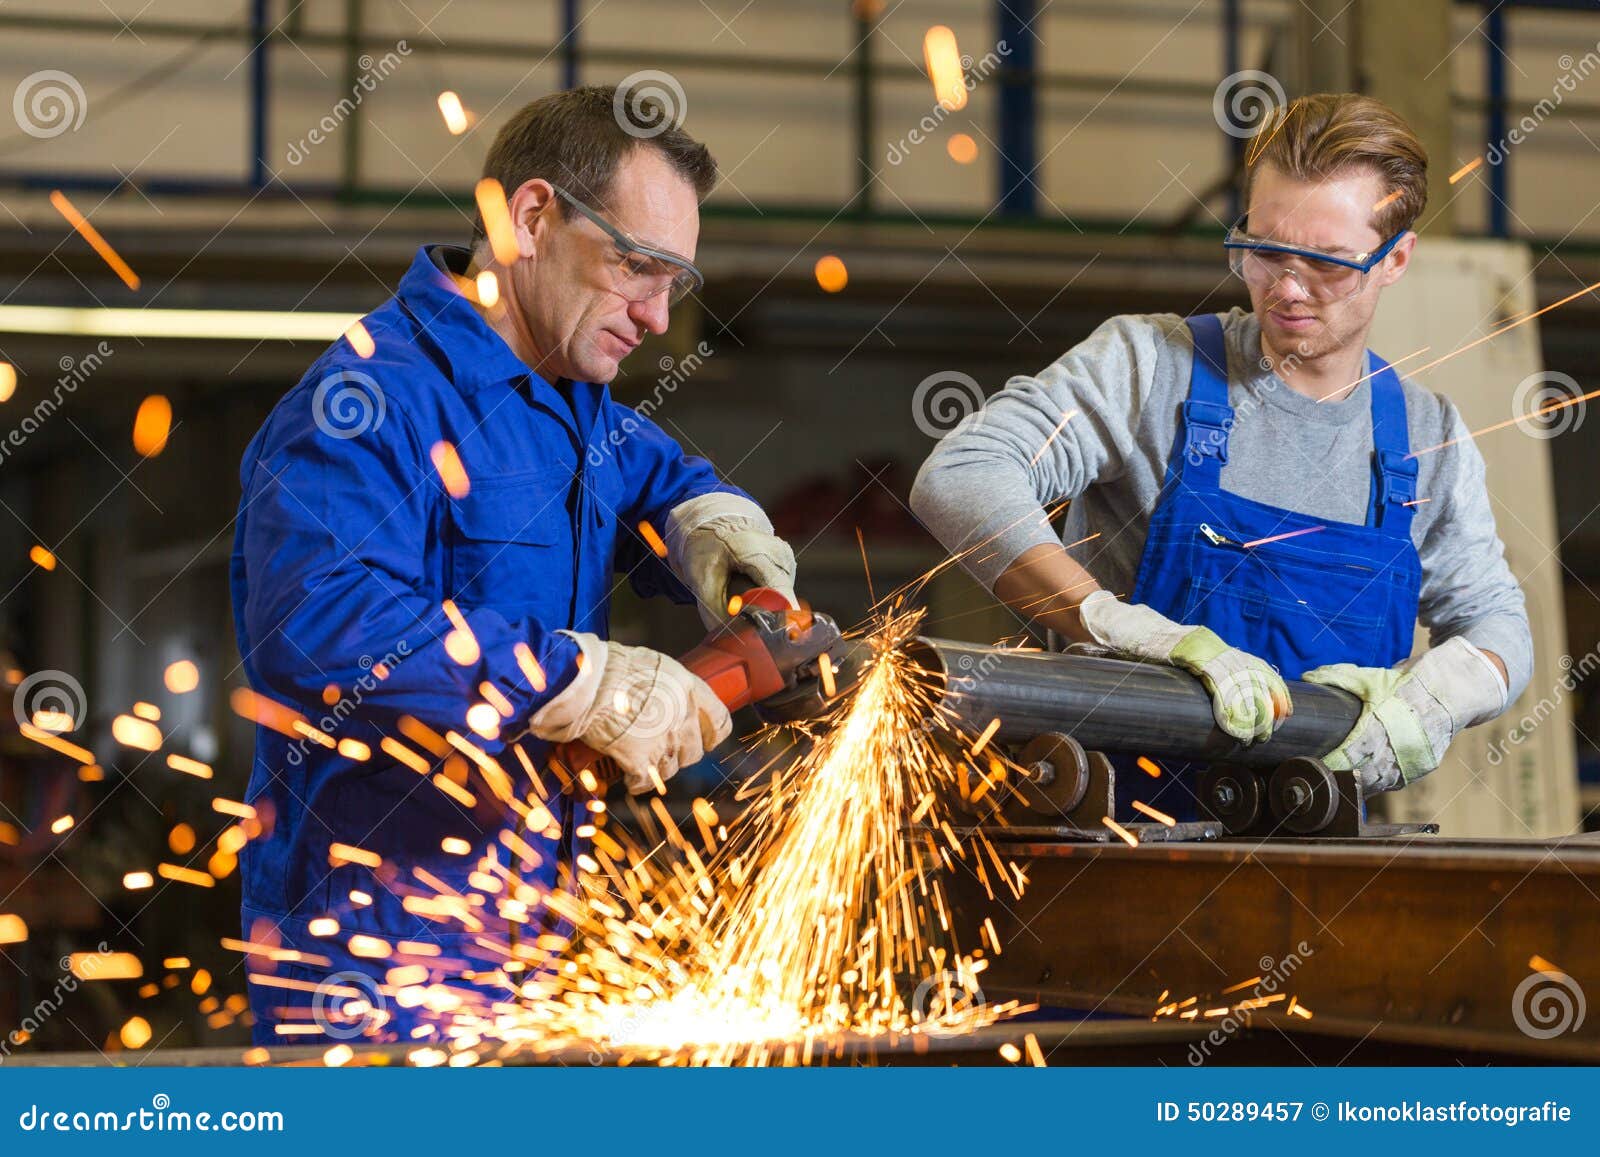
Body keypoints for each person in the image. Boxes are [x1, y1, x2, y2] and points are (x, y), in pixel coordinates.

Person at [230, 86, 796, 1042]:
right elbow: (317, 628)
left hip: (538, 941)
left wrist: (716, 526)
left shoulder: (573, 399)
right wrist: (578, 678)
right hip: (377, 966)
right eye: (638, 267)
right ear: (532, 218)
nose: (658, 318)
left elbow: (655, 473)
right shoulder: (370, 402)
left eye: (677, 284)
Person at [911, 93, 1529, 818]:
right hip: (1117, 829)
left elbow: (1498, 624)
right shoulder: (1150, 369)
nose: (1287, 289)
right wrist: (1115, 623)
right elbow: (961, 473)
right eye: (1264, 251)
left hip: (1317, 840)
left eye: (1326, 264)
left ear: (1395, 258)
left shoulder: (1426, 437)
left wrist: (1438, 696)